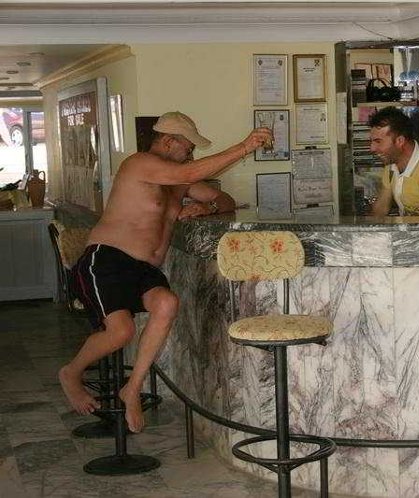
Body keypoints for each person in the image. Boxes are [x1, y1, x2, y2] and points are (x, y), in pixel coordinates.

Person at [59, 111, 271, 433]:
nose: (191, 154)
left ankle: (132, 387)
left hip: (144, 269)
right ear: (169, 142)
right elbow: (192, 171)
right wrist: (244, 147)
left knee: (167, 303)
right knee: (121, 332)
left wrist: (208, 207)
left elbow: (225, 199)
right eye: (188, 147)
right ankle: (71, 373)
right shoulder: (138, 164)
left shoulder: (179, 183)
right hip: (107, 260)